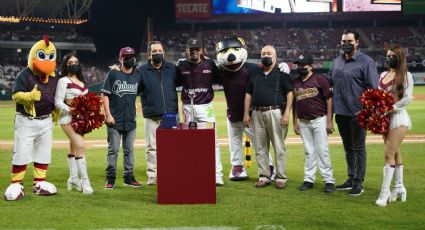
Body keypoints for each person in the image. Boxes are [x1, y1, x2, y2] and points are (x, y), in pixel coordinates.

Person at [215, 36, 281, 182]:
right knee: (234, 142)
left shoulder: (251, 68)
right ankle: (237, 167)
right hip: (232, 113)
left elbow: (268, 72)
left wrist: (281, 68)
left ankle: (268, 167)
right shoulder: (222, 71)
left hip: (251, 114)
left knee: (259, 142)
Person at [4, 36, 59, 200]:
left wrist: (57, 108)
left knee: (44, 152)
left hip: (47, 120)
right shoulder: (25, 74)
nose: (48, 60)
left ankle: (39, 182)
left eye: (51, 56)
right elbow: (15, 95)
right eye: (43, 56)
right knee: (22, 152)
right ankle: (16, 183)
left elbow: (58, 95)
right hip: (26, 119)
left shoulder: (56, 76)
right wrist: (29, 96)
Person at [329, 29, 378, 196]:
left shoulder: (366, 62)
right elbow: (330, 82)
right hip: (341, 112)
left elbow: (373, 89)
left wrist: (367, 112)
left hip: (358, 112)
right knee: (348, 148)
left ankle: (359, 182)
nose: (346, 44)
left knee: (359, 148)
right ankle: (351, 178)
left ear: (357, 42)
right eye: (343, 41)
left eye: (349, 41)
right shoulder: (337, 61)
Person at [243, 45, 294, 189]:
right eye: (263, 53)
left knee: (279, 146)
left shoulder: (282, 74)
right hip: (257, 113)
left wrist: (286, 113)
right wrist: (246, 113)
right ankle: (264, 176)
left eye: (269, 53)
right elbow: (248, 95)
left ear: (275, 57)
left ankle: (281, 177)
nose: (266, 55)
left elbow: (290, 94)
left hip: (275, 112)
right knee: (260, 147)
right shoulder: (255, 74)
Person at [177, 38, 224, 185]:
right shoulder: (181, 65)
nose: (194, 52)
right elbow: (173, 81)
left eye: (196, 49)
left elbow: (222, 78)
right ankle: (192, 171)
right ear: (187, 51)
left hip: (206, 107)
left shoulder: (209, 64)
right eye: (191, 50)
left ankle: (217, 174)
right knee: (188, 142)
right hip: (187, 108)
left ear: (201, 50)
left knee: (212, 141)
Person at [375, 44, 413, 207]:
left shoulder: (406, 75)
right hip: (384, 118)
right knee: (396, 153)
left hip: (398, 118)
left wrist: (391, 108)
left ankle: (384, 194)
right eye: (387, 56)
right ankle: (399, 188)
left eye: (392, 56)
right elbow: (378, 94)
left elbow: (408, 97)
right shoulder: (383, 74)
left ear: (399, 58)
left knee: (388, 155)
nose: (389, 58)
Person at [292, 54, 335, 193]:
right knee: (309, 151)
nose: (300, 67)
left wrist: (329, 121)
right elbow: (295, 103)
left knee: (322, 150)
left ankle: (328, 180)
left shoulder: (320, 79)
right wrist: (295, 122)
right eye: (298, 65)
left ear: (310, 66)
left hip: (319, 119)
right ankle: (308, 179)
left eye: (302, 65)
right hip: (303, 122)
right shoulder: (296, 82)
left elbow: (329, 100)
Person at [101, 47, 142, 189]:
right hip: (115, 119)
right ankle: (110, 178)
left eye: (131, 56)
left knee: (129, 150)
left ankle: (128, 177)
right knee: (113, 150)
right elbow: (105, 94)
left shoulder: (138, 74)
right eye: (126, 57)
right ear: (120, 59)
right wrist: (108, 115)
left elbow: (144, 91)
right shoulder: (113, 74)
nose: (129, 59)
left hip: (130, 119)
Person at [138, 41, 179, 185]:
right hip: (152, 114)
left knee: (172, 146)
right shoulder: (142, 70)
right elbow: (136, 89)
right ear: (149, 54)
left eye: (159, 51)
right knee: (152, 148)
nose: (157, 53)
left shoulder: (172, 68)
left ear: (164, 53)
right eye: (154, 51)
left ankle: (171, 172)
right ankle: (153, 177)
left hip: (170, 114)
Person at [54, 53, 92, 194]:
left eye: (76, 61)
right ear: (66, 65)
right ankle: (85, 182)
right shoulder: (63, 81)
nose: (74, 64)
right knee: (81, 146)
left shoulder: (82, 82)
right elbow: (57, 101)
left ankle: (73, 178)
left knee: (74, 148)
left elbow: (87, 102)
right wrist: (70, 110)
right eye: (70, 62)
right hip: (68, 119)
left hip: (80, 120)